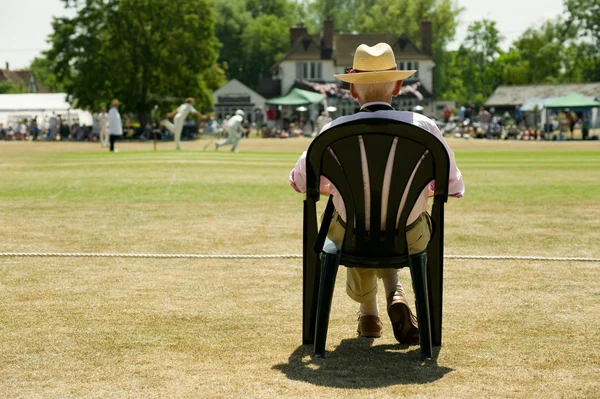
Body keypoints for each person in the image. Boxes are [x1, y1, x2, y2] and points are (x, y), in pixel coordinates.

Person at [289, 43, 465, 344]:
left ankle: (369, 314)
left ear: (353, 91)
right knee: (385, 221)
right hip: (410, 236)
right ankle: (393, 293)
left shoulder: (333, 129)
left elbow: (300, 181)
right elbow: (452, 186)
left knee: (352, 219)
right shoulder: (424, 127)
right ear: (398, 86)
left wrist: (339, 185)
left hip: (352, 236)